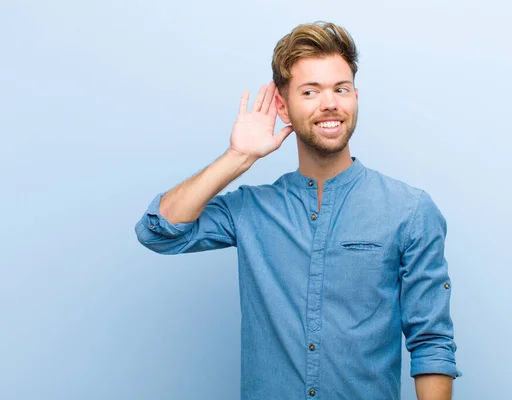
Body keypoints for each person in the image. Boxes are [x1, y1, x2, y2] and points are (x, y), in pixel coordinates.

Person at [135, 21, 460, 400]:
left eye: (341, 89)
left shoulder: (409, 210)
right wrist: (237, 157)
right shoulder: (250, 210)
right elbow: (158, 231)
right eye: (310, 91)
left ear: (355, 96)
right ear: (283, 106)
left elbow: (432, 342)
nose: (330, 103)